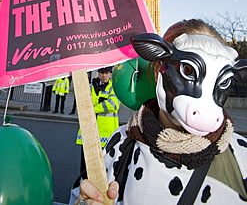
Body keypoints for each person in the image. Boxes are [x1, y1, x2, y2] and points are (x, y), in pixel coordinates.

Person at [70, 19, 247, 205]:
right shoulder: (121, 143)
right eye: (186, 70)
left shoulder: (241, 160)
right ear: (157, 70)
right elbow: (79, 193)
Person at [76, 66, 120, 173]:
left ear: (110, 74)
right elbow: (82, 103)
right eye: (102, 73)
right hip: (89, 131)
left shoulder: (114, 87)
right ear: (98, 73)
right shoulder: (90, 87)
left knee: (103, 166)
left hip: (106, 133)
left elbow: (113, 104)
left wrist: (94, 108)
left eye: (107, 73)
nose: (104, 76)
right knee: (85, 166)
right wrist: (100, 102)